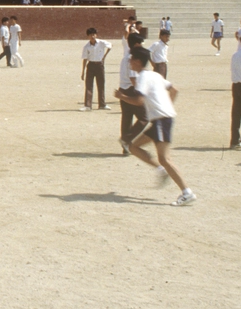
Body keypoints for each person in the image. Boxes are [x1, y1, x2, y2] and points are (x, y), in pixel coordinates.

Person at [120, 47, 197, 206]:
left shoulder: (142, 77)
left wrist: (122, 96)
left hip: (161, 120)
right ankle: (160, 170)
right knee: (133, 147)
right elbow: (174, 90)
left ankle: (187, 192)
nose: (129, 62)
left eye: (131, 59)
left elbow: (139, 101)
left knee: (164, 158)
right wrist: (167, 107)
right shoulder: (154, 75)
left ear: (138, 61)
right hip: (160, 120)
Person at [114, 32, 149, 155]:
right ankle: (126, 139)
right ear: (136, 44)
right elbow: (133, 79)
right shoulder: (133, 59)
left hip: (123, 89)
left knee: (127, 119)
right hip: (131, 90)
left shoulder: (125, 57)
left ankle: (126, 147)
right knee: (144, 117)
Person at [80, 27, 112, 111]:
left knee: (101, 85)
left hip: (99, 65)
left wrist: (104, 56)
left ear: (96, 35)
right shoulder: (86, 47)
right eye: (90, 35)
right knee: (89, 85)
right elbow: (85, 59)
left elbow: (110, 46)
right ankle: (88, 105)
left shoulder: (101, 43)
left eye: (94, 34)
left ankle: (102, 104)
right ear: (88, 36)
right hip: (90, 65)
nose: (92, 36)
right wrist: (83, 72)